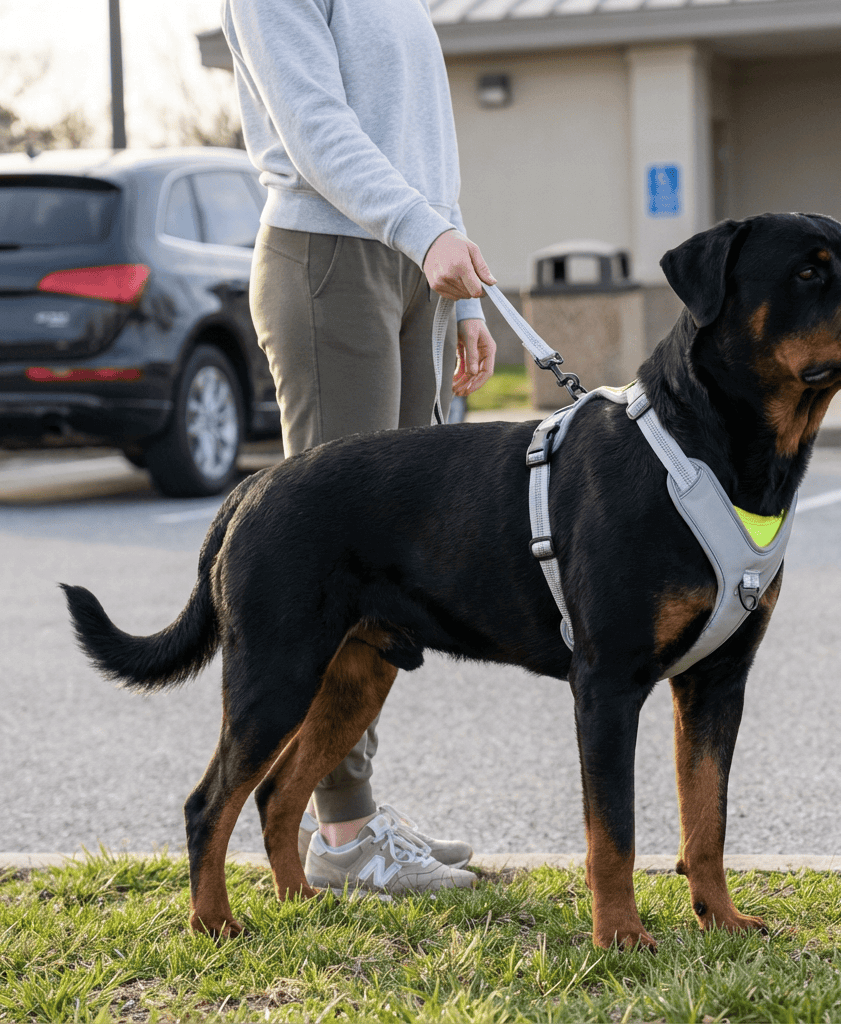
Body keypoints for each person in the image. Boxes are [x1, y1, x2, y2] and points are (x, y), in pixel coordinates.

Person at [222, 0, 499, 893]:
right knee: (340, 562)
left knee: (399, 570)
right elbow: (314, 127)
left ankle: (355, 808)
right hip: (330, 257)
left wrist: (458, 295)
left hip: (409, 265)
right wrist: (423, 233)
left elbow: (426, 145)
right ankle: (342, 832)